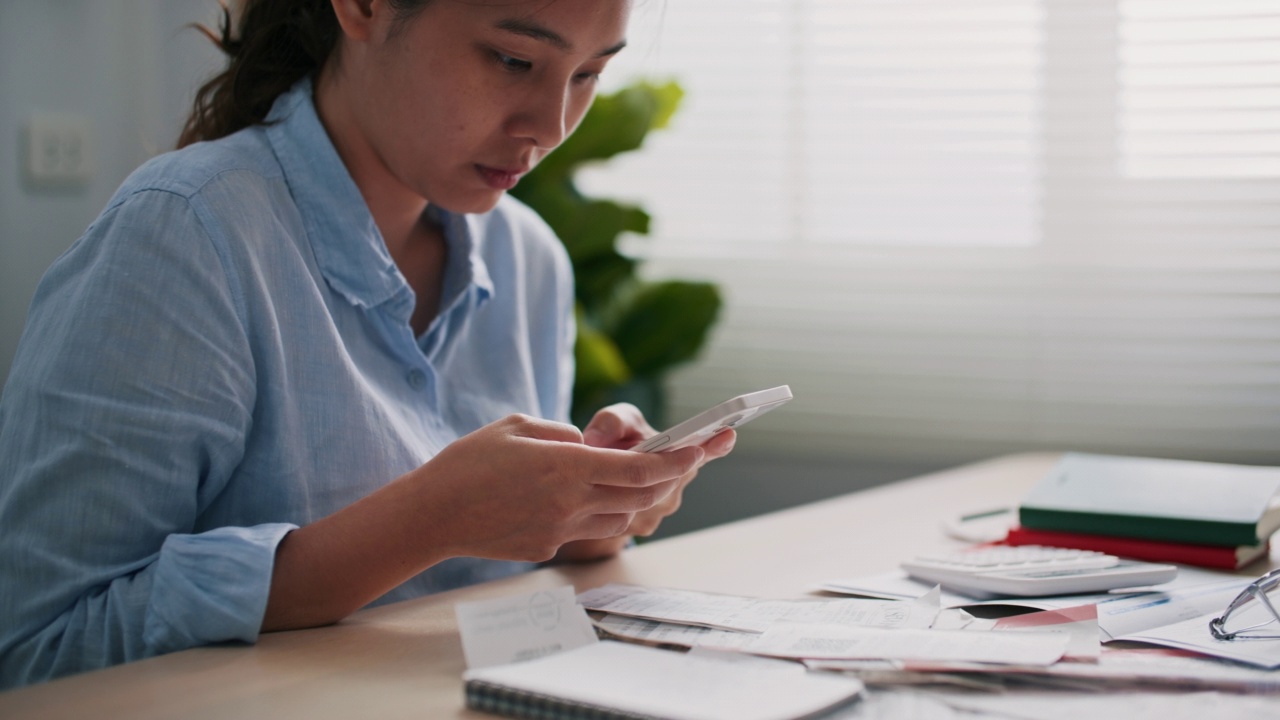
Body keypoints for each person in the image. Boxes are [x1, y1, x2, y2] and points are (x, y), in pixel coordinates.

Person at [0, 0, 734, 689]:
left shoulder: (529, 261)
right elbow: (37, 647)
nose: (549, 123)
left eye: (588, 74)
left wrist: (592, 508)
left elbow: (496, 597)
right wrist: (428, 519)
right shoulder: (186, 236)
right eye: (513, 61)